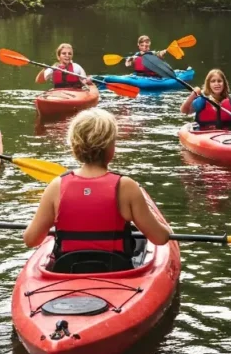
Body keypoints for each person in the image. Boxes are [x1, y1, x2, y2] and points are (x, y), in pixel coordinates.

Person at [23, 108, 172, 268]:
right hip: (117, 274)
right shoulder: (126, 187)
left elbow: (31, 240)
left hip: (68, 273)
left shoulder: (56, 186)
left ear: (75, 145)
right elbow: (160, 238)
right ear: (110, 148)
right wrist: (167, 228)